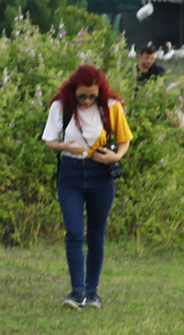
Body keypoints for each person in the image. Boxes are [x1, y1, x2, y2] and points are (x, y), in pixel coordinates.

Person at [42, 63, 131, 309]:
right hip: (70, 174)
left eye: (93, 95)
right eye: (83, 95)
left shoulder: (111, 107)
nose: (88, 100)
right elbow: (49, 141)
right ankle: (76, 292)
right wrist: (65, 147)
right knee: (73, 233)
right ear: (73, 90)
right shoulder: (61, 107)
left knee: (95, 235)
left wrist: (116, 157)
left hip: (100, 173)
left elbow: (124, 141)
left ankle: (92, 292)